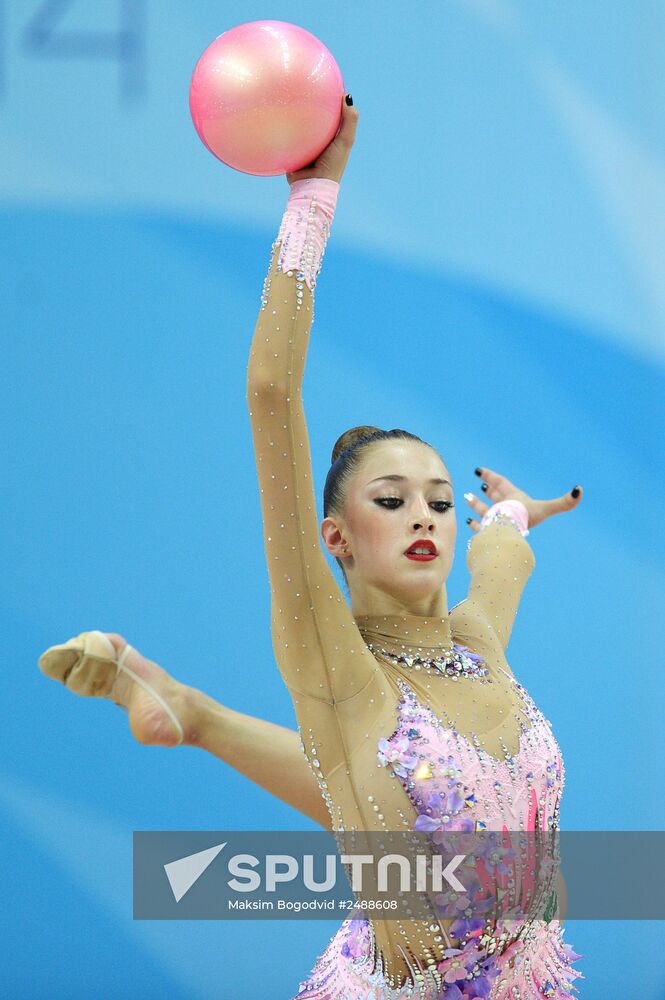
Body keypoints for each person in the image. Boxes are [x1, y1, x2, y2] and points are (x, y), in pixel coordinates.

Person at [39, 94, 584, 997]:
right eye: (392, 499)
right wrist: (313, 202)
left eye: (439, 502)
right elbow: (269, 396)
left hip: (529, 982)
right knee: (360, 758)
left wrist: (511, 515)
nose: (423, 517)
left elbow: (499, 552)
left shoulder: (475, 643)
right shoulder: (329, 656)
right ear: (336, 535)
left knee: (372, 782)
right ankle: (188, 711)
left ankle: (189, 712)